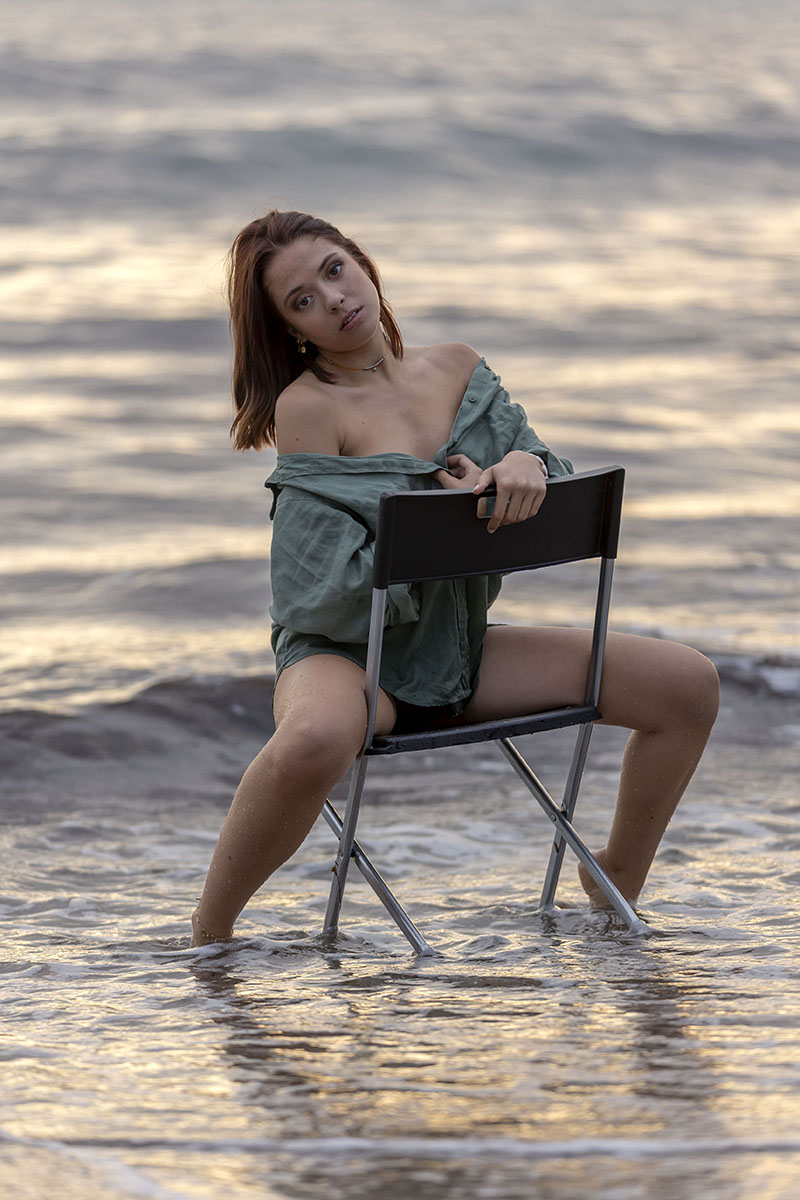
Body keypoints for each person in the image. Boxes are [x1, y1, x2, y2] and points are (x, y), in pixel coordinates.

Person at [190, 209, 719, 946]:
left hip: (456, 644)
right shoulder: (308, 407)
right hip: (349, 656)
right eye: (302, 299)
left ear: (364, 265)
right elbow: (320, 597)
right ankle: (208, 935)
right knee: (315, 737)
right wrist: (447, 519)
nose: (335, 299)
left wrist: (525, 467)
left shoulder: (461, 368)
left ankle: (614, 880)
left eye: (335, 271)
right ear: (292, 330)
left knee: (687, 684)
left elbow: (556, 489)